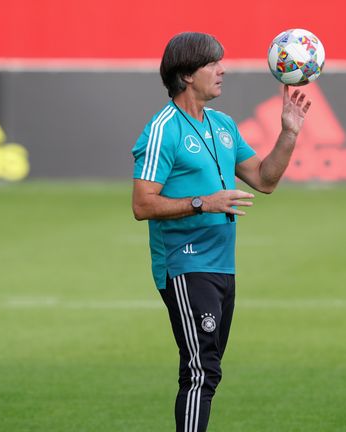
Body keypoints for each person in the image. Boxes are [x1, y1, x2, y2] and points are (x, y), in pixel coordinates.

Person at [131, 32, 311, 432]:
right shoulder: (163, 130)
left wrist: (289, 133)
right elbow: (142, 204)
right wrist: (202, 202)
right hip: (184, 264)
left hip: (222, 268)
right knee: (200, 371)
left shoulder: (223, 124)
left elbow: (264, 180)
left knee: (208, 371)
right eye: (213, 63)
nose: (222, 70)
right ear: (187, 74)